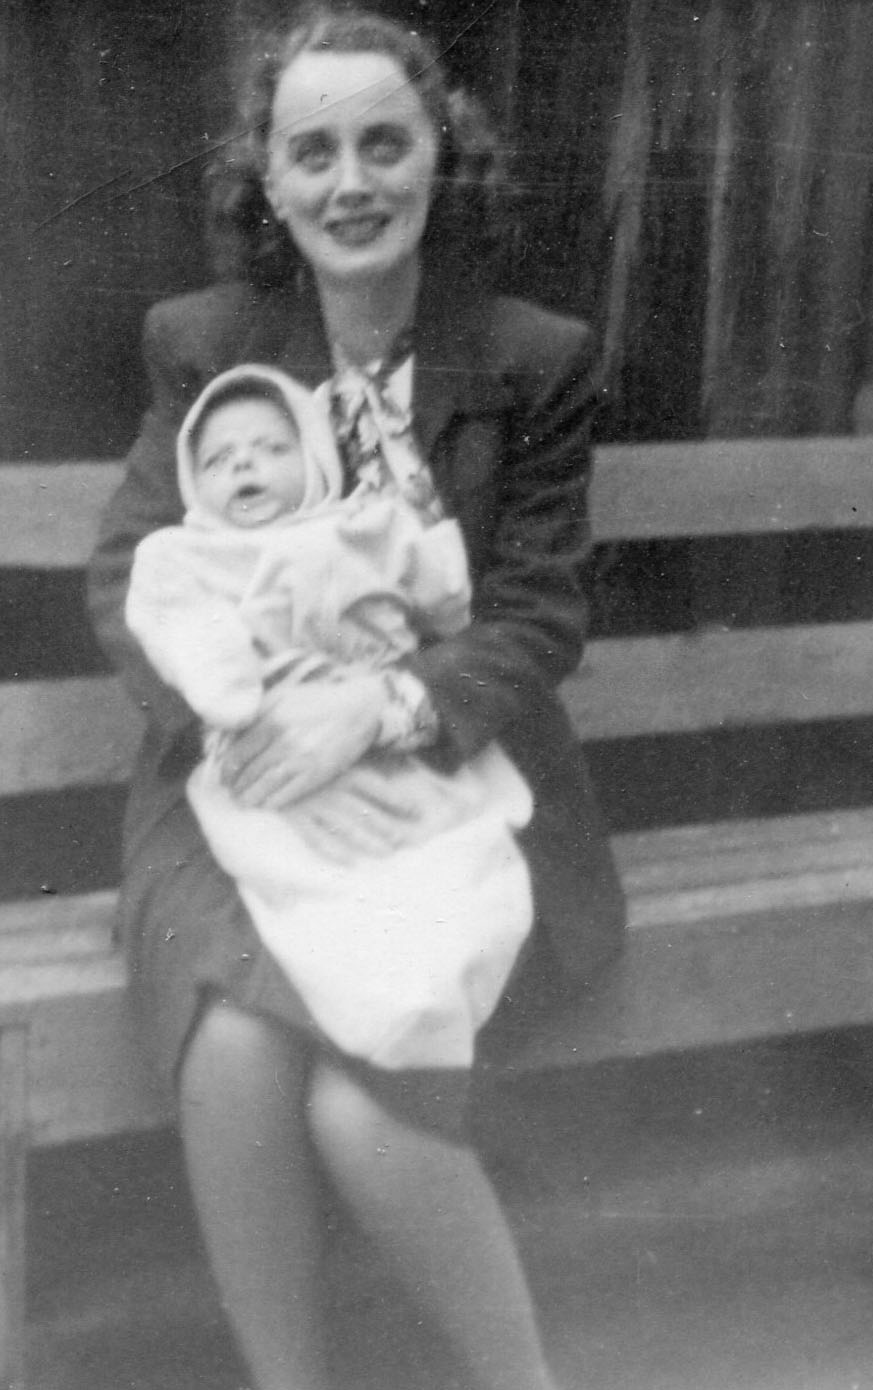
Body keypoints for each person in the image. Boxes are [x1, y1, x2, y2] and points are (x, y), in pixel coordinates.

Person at [86, 10, 625, 1390]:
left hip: (440, 786)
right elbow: (130, 575)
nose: (351, 184)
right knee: (231, 1041)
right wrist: (254, 721)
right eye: (312, 152)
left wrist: (377, 710)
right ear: (266, 178)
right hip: (238, 783)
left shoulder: (531, 359)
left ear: (441, 157)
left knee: (367, 1112)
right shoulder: (205, 345)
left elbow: (537, 613)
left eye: (385, 145)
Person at [125, 363, 535, 1072]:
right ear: (193, 482)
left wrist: (427, 537)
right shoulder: (189, 554)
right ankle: (379, 1010)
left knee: (443, 852)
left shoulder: (362, 525)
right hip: (261, 742)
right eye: (218, 460)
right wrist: (230, 704)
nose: (244, 465)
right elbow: (173, 619)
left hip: (390, 731)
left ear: (316, 458)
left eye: (271, 448)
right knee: (307, 877)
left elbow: (448, 596)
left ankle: (423, 997)